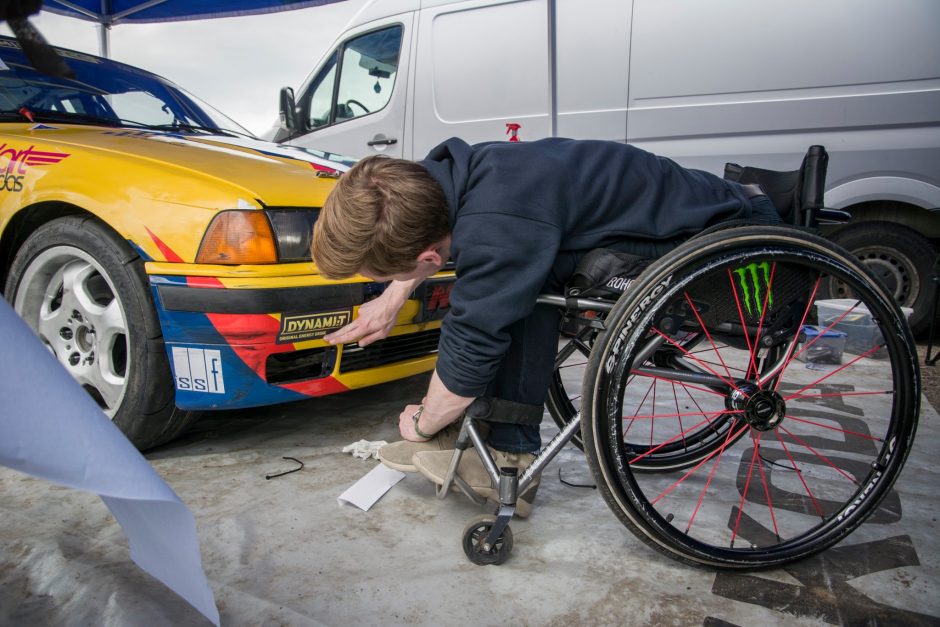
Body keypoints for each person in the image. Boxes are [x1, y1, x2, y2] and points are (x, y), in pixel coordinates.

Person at [312, 137, 780, 517]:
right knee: (507, 284)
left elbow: (472, 334)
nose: (387, 285)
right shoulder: (453, 178)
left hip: (722, 238)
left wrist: (423, 420)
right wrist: (393, 298)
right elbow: (457, 252)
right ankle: (485, 441)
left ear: (427, 258)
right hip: (683, 214)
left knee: (506, 296)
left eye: (385, 277)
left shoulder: (499, 219)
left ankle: (509, 457)